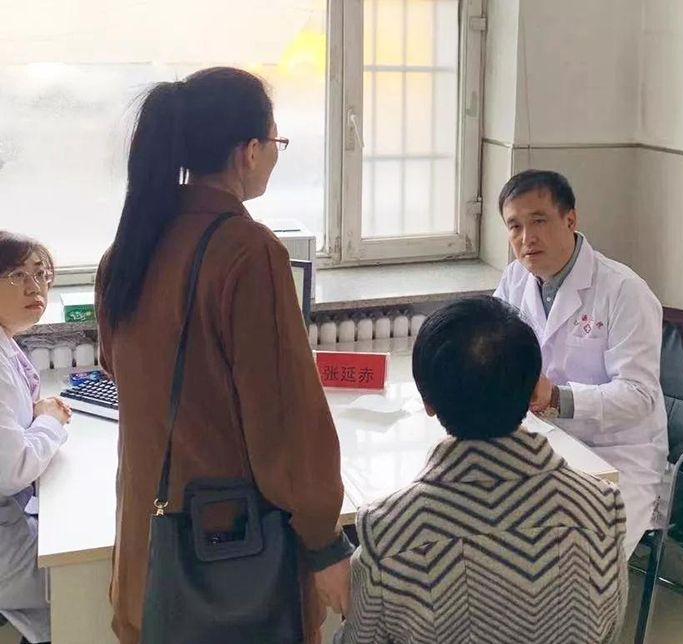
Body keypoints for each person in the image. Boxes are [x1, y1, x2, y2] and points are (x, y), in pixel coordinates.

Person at [94, 67, 351, 644]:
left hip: (147, 555)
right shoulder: (248, 251)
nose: (275, 156)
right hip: (231, 565)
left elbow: (119, 368)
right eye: (276, 141)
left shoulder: (125, 251)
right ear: (248, 151)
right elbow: (283, 420)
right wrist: (324, 543)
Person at [338, 296, 628, 644]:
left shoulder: (391, 528)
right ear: (534, 391)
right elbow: (609, 628)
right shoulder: (601, 507)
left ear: (427, 402)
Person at [493, 169, 668, 557]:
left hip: (618, 452)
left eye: (539, 220)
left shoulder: (624, 291)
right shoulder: (515, 279)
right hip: (541, 439)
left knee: (584, 561)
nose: (527, 238)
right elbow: (495, 348)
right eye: (515, 226)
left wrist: (557, 398)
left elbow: (639, 396)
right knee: (502, 539)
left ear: (570, 219)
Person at [0, 232, 72, 644]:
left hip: (11, 518)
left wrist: (42, 418)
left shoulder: (6, 342)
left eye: (41, 274)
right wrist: (49, 421)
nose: (34, 287)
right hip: (5, 547)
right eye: (16, 274)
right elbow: (12, 469)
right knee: (98, 578)